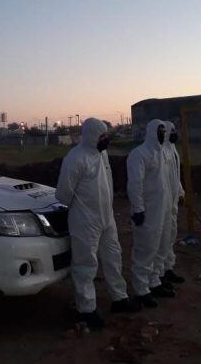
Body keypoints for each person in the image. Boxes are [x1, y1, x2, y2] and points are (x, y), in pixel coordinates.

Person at [56, 118, 140, 330]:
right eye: (102, 136)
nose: (106, 139)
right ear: (92, 135)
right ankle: (86, 309)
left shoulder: (101, 155)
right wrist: (83, 208)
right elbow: (63, 194)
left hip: (106, 217)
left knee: (113, 257)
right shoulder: (75, 158)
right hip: (85, 220)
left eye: (106, 135)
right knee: (86, 264)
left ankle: (119, 298)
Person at [127, 119, 174, 308]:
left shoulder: (161, 152)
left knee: (161, 247)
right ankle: (141, 289)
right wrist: (138, 209)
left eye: (165, 131)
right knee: (145, 250)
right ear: (152, 132)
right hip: (147, 212)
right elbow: (135, 184)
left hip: (162, 210)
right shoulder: (139, 154)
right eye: (160, 131)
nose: (163, 134)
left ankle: (154, 282)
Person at [161, 121, 185, 285]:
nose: (175, 133)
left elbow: (176, 175)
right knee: (162, 238)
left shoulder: (172, 150)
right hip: (164, 201)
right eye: (173, 131)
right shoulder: (161, 151)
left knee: (171, 237)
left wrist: (181, 192)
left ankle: (168, 268)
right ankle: (159, 272)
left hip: (173, 200)